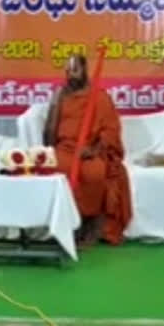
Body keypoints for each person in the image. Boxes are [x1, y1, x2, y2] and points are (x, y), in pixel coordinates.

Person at [42, 54, 132, 247]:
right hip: (65, 150)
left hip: (90, 152)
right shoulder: (61, 95)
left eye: (74, 70)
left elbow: (111, 131)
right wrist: (55, 104)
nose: (70, 75)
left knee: (94, 173)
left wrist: (93, 150)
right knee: (53, 169)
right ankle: (63, 226)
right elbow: (49, 132)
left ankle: (88, 225)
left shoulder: (99, 97)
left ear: (84, 71)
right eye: (67, 71)